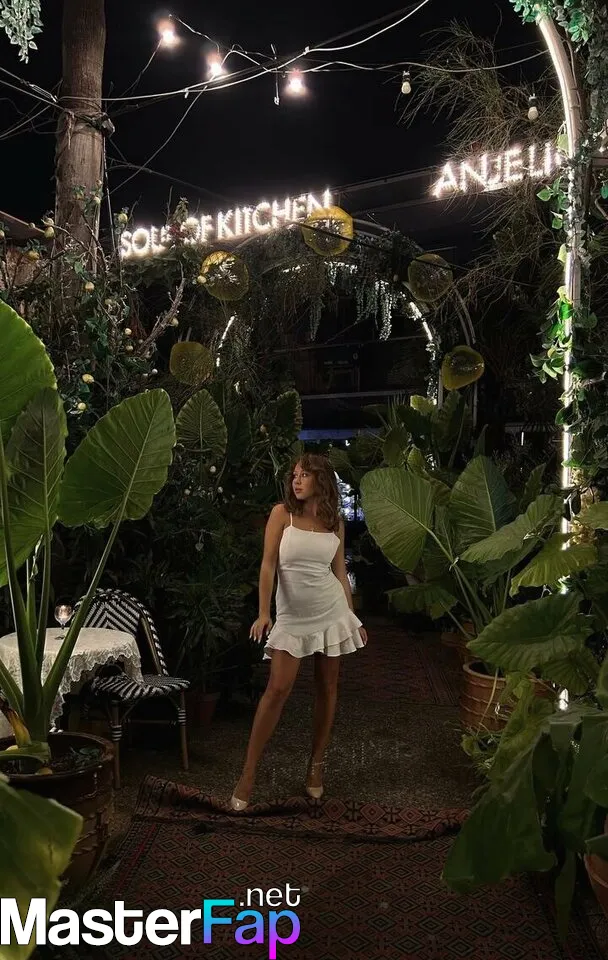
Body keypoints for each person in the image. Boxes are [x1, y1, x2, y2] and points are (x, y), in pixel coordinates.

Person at [230, 453, 368, 811]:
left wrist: (351, 618)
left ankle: (316, 765)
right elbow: (268, 565)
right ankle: (248, 773)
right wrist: (264, 613)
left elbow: (340, 573)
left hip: (330, 612)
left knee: (327, 687)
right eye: (294, 475)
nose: (297, 480)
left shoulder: (334, 522)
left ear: (321, 480)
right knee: (277, 689)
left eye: (304, 475)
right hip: (292, 616)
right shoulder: (282, 515)